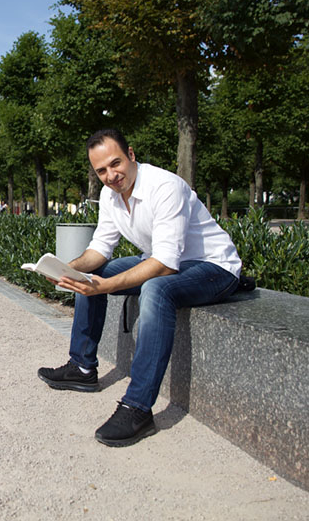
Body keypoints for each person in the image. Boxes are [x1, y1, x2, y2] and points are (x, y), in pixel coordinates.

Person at [38, 129, 241, 447]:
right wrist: (69, 269)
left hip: (213, 267)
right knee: (94, 272)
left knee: (156, 289)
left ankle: (138, 407)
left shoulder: (165, 186)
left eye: (115, 163)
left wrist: (104, 287)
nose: (111, 175)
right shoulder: (109, 195)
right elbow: (99, 251)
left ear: (131, 155)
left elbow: (164, 265)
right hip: (164, 261)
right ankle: (81, 366)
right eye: (101, 171)